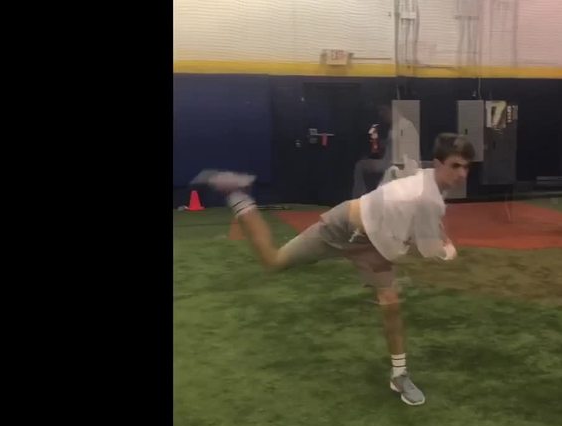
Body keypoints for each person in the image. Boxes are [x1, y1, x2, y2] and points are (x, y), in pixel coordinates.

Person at [191, 133, 475, 406]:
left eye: (466, 167)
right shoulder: (429, 196)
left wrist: (436, 236)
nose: (462, 174)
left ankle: (399, 375)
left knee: (391, 304)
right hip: (343, 227)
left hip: (374, 246)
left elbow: (422, 218)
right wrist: (446, 251)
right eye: (455, 166)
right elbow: (427, 248)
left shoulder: (426, 179)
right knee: (273, 261)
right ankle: (237, 194)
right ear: (438, 163)